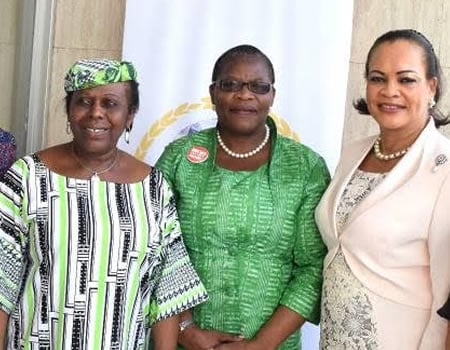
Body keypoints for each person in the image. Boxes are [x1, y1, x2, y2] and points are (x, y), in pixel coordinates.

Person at [0, 58, 207, 349]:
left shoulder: (154, 189)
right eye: (83, 102)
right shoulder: (27, 178)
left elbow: (167, 293)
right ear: (70, 112)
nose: (95, 113)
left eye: (110, 104)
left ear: (130, 115)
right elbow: (2, 284)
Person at [156, 44, 330, 350]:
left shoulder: (305, 168)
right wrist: (185, 329)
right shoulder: (179, 158)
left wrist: (261, 345)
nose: (244, 95)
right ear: (213, 93)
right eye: (230, 84)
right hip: (184, 342)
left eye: (258, 87)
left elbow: (313, 267)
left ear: (272, 95)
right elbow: (154, 249)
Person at [315, 29, 450, 349]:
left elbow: (448, 292)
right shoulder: (352, 152)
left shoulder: (445, 170)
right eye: (378, 78)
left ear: (431, 86)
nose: (390, 91)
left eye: (406, 80)